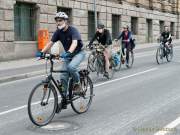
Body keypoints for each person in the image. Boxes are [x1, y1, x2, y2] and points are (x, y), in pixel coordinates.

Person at [37, 12, 85, 109]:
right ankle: (64, 98)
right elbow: (50, 43)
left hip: (78, 53)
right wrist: (42, 52)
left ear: (66, 21)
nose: (58, 23)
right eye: (57, 21)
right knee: (63, 75)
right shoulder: (58, 32)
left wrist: (68, 52)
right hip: (68, 55)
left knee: (71, 67)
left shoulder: (73, 30)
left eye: (60, 20)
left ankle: (77, 84)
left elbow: (74, 43)